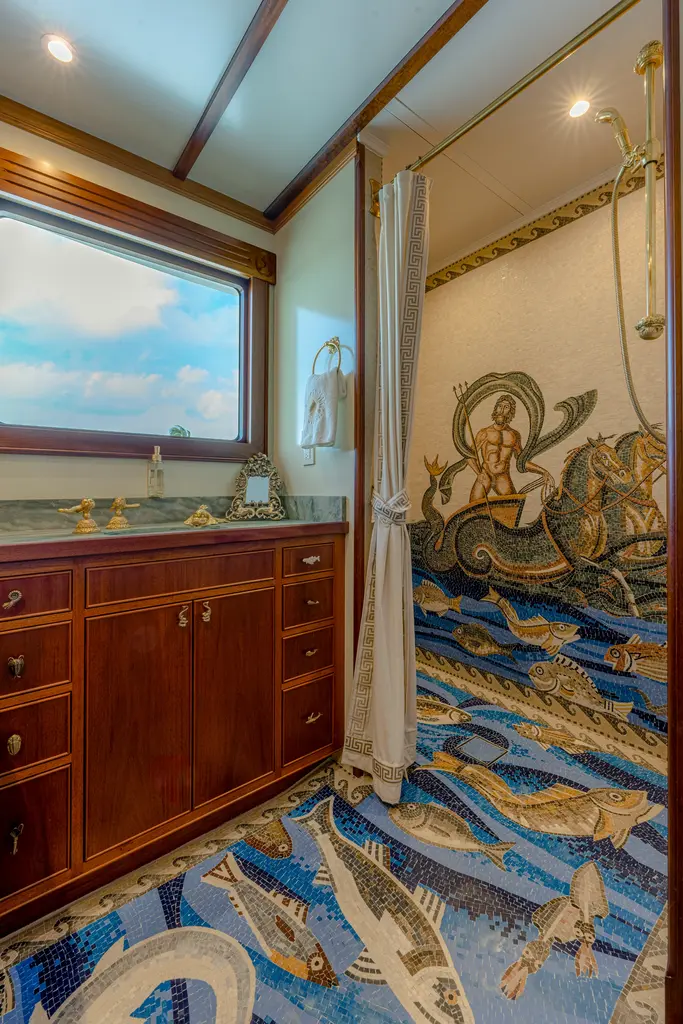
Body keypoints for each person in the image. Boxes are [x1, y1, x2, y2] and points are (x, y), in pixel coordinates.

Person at [468, 394, 555, 502]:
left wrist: (543, 472)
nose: (501, 410)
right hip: (485, 474)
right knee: (473, 506)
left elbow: (521, 462)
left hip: (502, 477)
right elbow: (469, 455)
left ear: (511, 412)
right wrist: (479, 473)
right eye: (499, 406)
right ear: (495, 408)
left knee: (512, 505)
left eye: (506, 407)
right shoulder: (484, 433)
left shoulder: (514, 435)